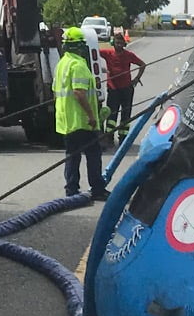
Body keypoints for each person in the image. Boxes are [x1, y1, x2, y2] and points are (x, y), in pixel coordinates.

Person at [54, 27, 108, 199]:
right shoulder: (78, 65)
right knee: (93, 154)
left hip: (67, 121)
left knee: (72, 155)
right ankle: (97, 189)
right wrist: (92, 116)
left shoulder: (62, 64)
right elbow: (79, 93)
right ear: (79, 47)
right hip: (82, 121)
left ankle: (71, 189)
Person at [100, 33, 146, 132]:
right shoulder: (107, 53)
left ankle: (123, 136)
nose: (119, 45)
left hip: (126, 89)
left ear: (124, 44)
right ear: (113, 43)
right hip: (113, 90)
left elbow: (142, 65)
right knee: (112, 114)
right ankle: (109, 136)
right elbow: (93, 52)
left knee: (126, 114)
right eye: (117, 43)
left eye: (121, 43)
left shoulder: (129, 55)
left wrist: (136, 79)